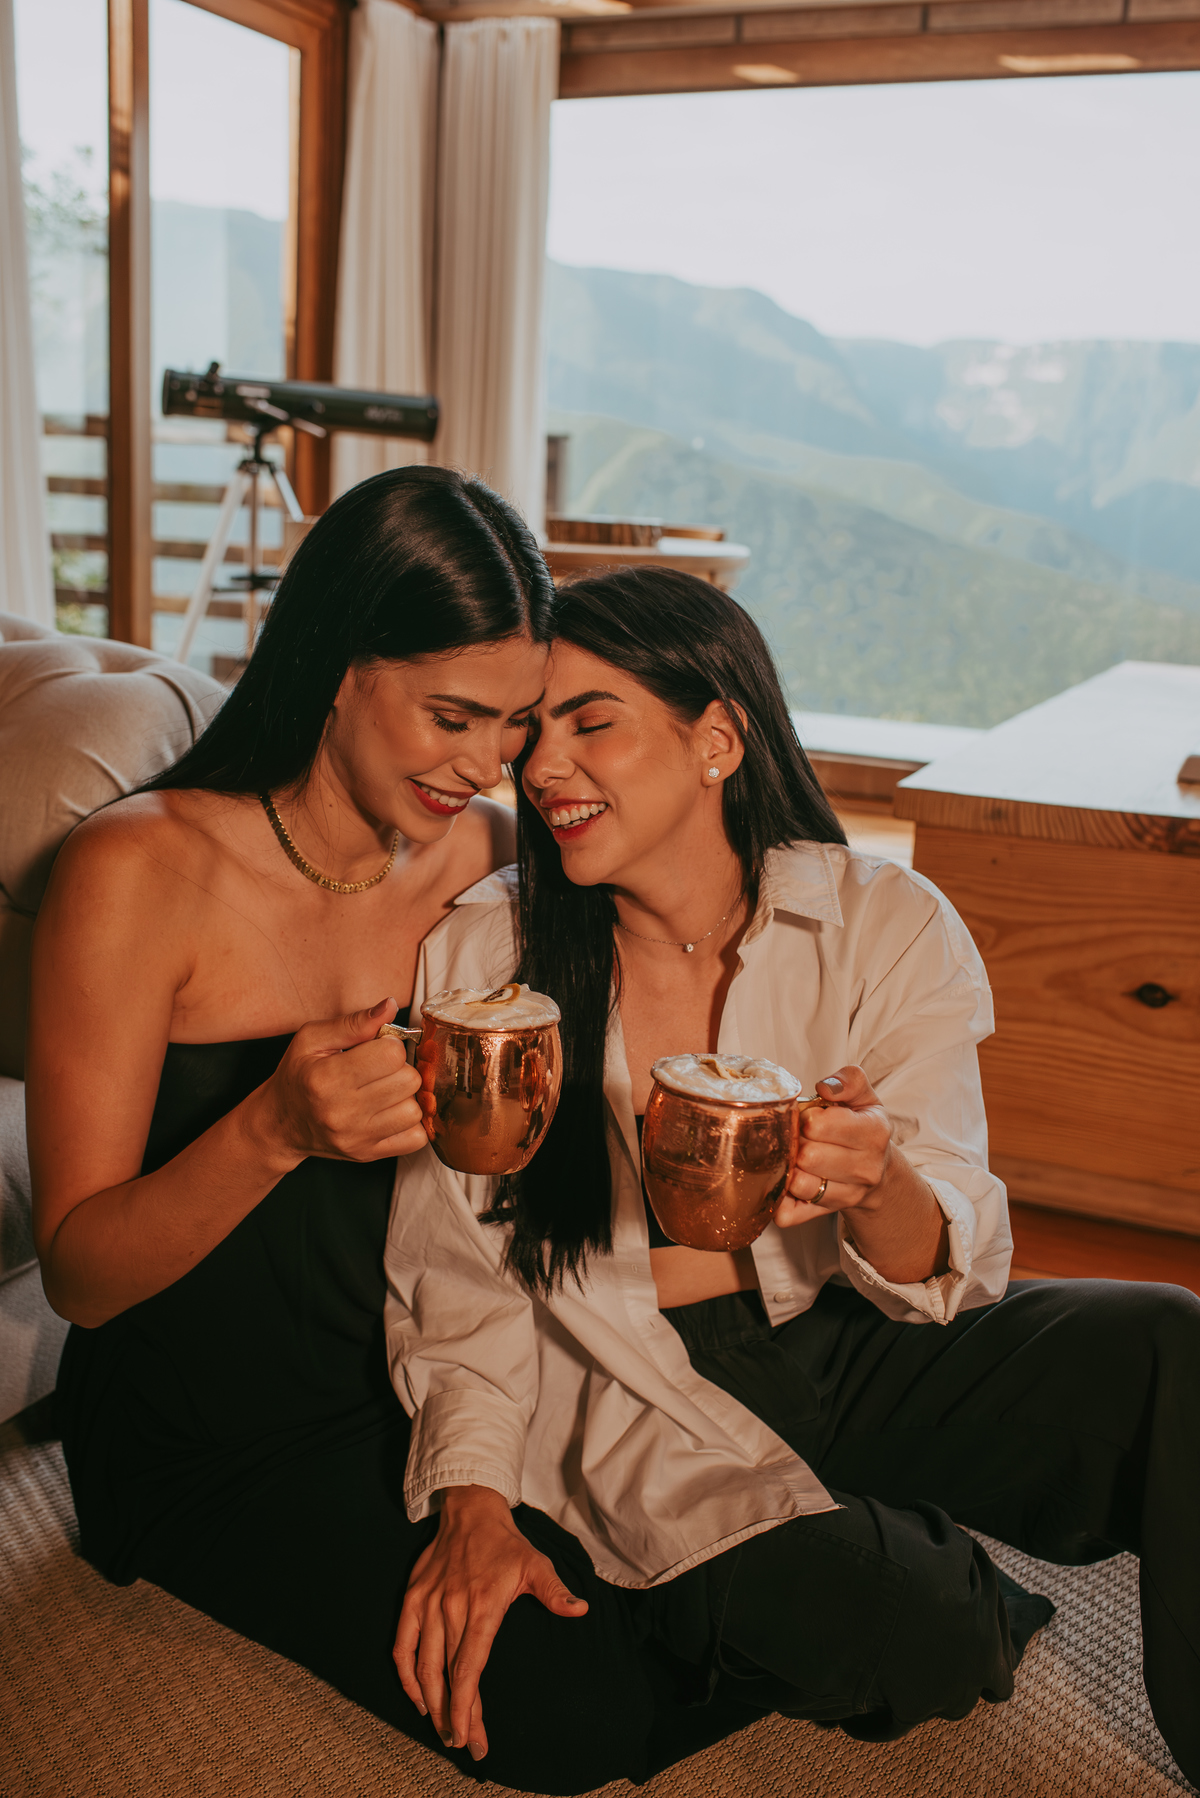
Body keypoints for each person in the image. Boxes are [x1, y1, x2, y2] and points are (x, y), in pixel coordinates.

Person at [384, 567, 1200, 1790]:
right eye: (528, 732)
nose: (544, 766)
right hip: (632, 1377)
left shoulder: (887, 922)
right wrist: (472, 1498)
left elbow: (959, 1247)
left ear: (716, 736)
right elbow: (454, 1268)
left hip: (845, 1328)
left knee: (1166, 1339)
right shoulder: (485, 951)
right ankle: (911, 1561)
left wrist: (877, 1185)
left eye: (590, 720)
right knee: (919, 1631)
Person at [27, 467, 650, 1792]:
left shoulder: (487, 852)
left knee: (706, 1535)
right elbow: (80, 1274)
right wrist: (273, 1127)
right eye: (455, 714)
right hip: (211, 1423)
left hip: (434, 1369)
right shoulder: (135, 871)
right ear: (336, 662)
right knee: (559, 1688)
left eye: (515, 720)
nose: (493, 763)